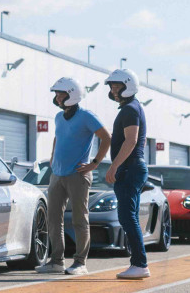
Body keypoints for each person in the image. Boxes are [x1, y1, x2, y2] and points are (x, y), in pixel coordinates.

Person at [36, 77, 111, 276]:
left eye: (60, 93)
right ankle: (56, 261)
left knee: (79, 220)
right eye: (56, 94)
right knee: (53, 219)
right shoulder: (58, 117)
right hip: (57, 175)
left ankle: (80, 263)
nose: (57, 97)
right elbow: (57, 137)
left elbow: (106, 137)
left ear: (72, 94)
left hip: (78, 175)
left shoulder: (87, 116)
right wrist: (53, 157)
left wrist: (94, 163)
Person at [104, 68, 151, 279]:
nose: (113, 90)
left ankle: (140, 264)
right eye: (112, 86)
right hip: (132, 168)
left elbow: (131, 140)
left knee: (126, 216)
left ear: (128, 86)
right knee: (129, 216)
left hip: (129, 168)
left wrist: (114, 166)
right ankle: (138, 263)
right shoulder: (132, 108)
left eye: (117, 86)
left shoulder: (130, 109)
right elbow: (136, 140)